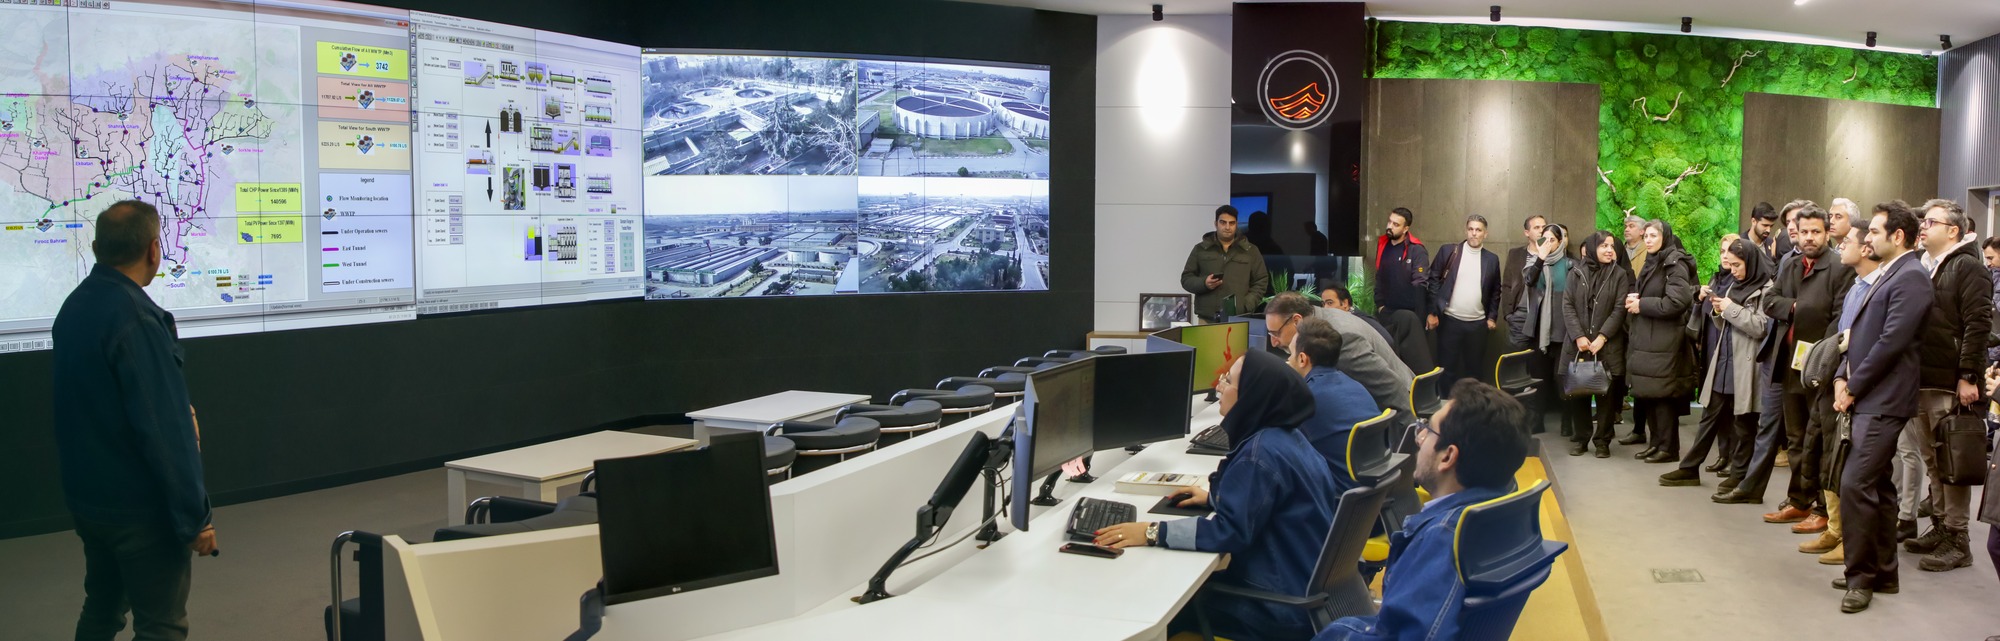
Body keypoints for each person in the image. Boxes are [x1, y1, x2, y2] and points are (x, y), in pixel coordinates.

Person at [52, 200, 219, 641]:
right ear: (153, 250)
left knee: (102, 609)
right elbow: (166, 432)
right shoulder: (137, 319)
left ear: (96, 248)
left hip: (91, 502)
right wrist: (196, 518)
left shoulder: (75, 306)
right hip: (139, 511)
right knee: (161, 626)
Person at [1092, 351, 1341, 641]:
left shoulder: (1259, 457)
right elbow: (1274, 503)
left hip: (1275, 610)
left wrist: (1152, 532)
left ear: (1251, 396)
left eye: (1229, 381)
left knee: (1159, 606)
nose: (1219, 386)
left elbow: (1229, 533)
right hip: (1302, 593)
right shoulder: (1288, 439)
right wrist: (1214, 498)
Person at [1314, 380, 1533, 641]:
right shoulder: (1500, 514)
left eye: (1427, 431)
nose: (1419, 439)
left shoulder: (1442, 538)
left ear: (1447, 457)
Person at [1830, 201, 1931, 614]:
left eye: (1873, 231)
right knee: (1880, 487)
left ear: (1898, 236)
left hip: (1883, 399)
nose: (1866, 237)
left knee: (1855, 484)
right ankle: (1884, 572)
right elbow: (1859, 335)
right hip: (1871, 395)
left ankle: (1861, 578)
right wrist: (1842, 375)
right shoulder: (1892, 272)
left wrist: (1853, 386)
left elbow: (1891, 342)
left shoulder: (1912, 277)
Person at [1902, 198, 1993, 573]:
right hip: (1923, 378)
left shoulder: (1968, 267)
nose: (1923, 227)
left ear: (1953, 230)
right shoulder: (1926, 263)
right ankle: (1940, 526)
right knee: (1933, 461)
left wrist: (1968, 375)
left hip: (1950, 382)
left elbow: (1978, 324)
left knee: (1952, 461)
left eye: (1931, 222)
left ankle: (1958, 538)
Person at [1761, 205, 1851, 535]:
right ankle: (1798, 500)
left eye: (1816, 231)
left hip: (1821, 366)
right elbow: (1770, 301)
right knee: (1796, 437)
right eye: (1804, 232)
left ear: (1827, 233)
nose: (1809, 237)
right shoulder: (1791, 264)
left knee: (1820, 440)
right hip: (1789, 362)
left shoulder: (1840, 267)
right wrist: (1798, 307)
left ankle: (1823, 509)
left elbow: (1839, 319)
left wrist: (1820, 356)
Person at [1660, 239, 1770, 489]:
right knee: (1709, 416)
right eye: (1731, 264)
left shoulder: (1766, 289)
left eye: (1738, 265)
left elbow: (1761, 327)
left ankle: (1738, 475)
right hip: (1723, 359)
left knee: (1744, 423)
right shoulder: (1734, 285)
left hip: (1745, 365)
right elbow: (1724, 325)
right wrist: (1719, 311)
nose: (1733, 269)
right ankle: (1690, 468)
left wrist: (1729, 309)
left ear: (1751, 262)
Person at [1805, 225, 1882, 566]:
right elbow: (1842, 340)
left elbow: (1876, 345)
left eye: (1847, 241)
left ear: (1866, 248)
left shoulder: (1880, 288)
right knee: (1830, 455)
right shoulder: (1854, 288)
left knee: (1853, 468)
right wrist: (1838, 379)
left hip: (1865, 390)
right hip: (1840, 383)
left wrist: (1851, 386)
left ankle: (1851, 539)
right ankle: (1835, 529)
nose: (1840, 247)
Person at [1266, 292, 1416, 426]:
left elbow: (1389, 388)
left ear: (1297, 321)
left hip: (1402, 409)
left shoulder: (1339, 336)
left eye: (1276, 333)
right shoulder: (1324, 320)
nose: (1273, 342)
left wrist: (1415, 435)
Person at [1626, 219, 1696, 463]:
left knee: (1663, 397)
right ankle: (1655, 443)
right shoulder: (1654, 261)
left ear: (1665, 237)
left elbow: (1677, 302)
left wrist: (1642, 304)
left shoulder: (1675, 264)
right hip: (1650, 340)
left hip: (1665, 342)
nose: (1648, 240)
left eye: (1653, 236)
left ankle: (1668, 448)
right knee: (1650, 395)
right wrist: (1636, 299)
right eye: (1646, 235)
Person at [1287, 317, 1383, 485]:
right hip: (1370, 491)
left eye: (1290, 354)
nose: (1288, 360)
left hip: (1338, 494)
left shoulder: (1306, 399)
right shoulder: (1355, 386)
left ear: (1302, 359)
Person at [1562, 231, 1632, 457]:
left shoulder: (1619, 274)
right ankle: (1581, 439)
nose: (1609, 250)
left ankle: (1602, 441)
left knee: (1607, 397)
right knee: (1579, 393)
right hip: (1579, 345)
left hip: (1608, 345)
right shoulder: (1576, 272)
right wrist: (1579, 336)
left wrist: (1602, 337)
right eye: (1604, 246)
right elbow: (1567, 305)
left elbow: (1619, 309)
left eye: (1612, 246)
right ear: (1593, 248)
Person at [1427, 214, 1501, 395]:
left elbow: (1495, 291)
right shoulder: (1449, 251)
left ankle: (1473, 405)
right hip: (1450, 321)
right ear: (1466, 231)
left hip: (1477, 325)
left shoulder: (1491, 259)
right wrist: (1433, 311)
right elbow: (1433, 279)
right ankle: (1446, 405)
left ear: (1485, 234)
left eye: (1478, 230)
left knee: (1474, 370)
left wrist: (1492, 317)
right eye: (1471, 229)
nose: (1474, 233)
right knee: (1446, 369)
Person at [1519, 223, 1575, 436]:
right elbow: (1529, 280)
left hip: (1563, 331)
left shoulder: (1571, 265)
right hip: (1539, 331)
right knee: (1538, 378)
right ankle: (1536, 421)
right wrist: (1540, 258)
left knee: (1562, 378)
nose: (1548, 243)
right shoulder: (1535, 263)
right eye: (1544, 239)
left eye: (1552, 240)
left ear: (1560, 242)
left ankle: (1567, 420)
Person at [1181, 205, 1270, 320]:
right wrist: (1204, 283)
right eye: (1223, 222)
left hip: (1239, 318)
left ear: (1236, 224)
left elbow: (1261, 281)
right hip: (1206, 318)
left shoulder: (1250, 251)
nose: (1227, 227)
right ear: (1216, 224)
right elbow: (1186, 279)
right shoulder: (1201, 249)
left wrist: (1246, 305)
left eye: (1231, 223)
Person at [1374, 207, 1430, 321]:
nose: (1390, 226)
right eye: (1389, 222)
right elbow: (1379, 276)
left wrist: (1418, 316)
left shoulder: (1416, 250)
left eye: (1396, 224)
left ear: (1405, 229)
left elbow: (1420, 284)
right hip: (1386, 311)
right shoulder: (1383, 245)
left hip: (1408, 313)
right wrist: (1380, 305)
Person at [1499, 215, 1548, 340]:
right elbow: (1507, 284)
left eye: (1544, 227)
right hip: (1520, 314)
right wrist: (1508, 314)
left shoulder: (1551, 254)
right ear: (1527, 232)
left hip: (1544, 315)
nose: (1541, 230)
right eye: (1536, 227)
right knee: (1518, 351)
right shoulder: (1515, 254)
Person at [1320, 285, 1394, 346]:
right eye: (1323, 304)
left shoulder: (1362, 320)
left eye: (1330, 303)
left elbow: (1388, 341)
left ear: (1345, 303)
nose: (1325, 308)